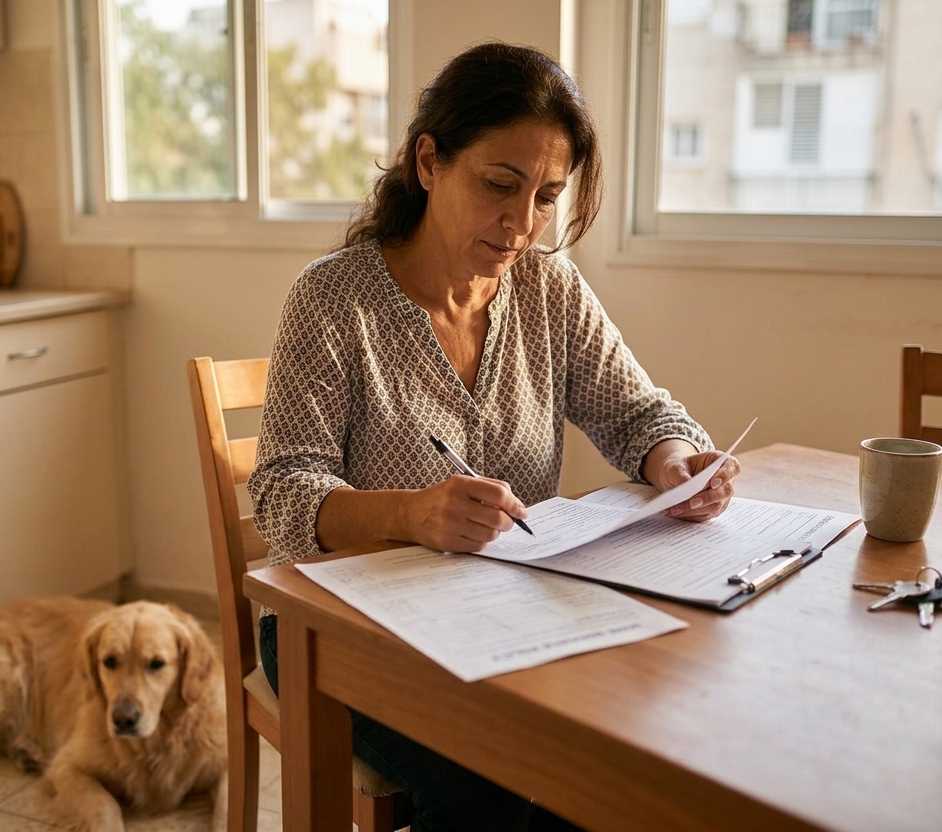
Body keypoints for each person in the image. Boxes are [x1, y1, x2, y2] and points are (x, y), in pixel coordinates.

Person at [246, 41, 740, 832]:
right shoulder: (333, 299)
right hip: (339, 627)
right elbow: (281, 492)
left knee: (631, 746)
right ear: (428, 162)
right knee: (499, 784)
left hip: (507, 614)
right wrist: (410, 514)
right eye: (499, 185)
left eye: (546, 196)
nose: (521, 224)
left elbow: (639, 414)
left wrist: (675, 461)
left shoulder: (549, 289)